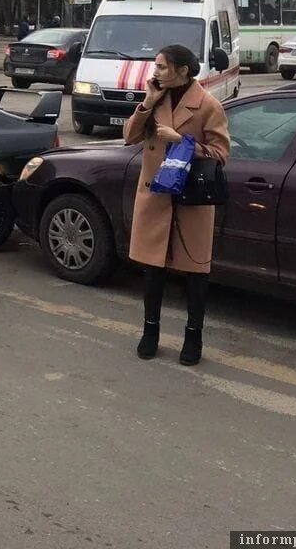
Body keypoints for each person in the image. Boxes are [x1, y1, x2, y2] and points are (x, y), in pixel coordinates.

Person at [124, 44, 230, 366]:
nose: (155, 72)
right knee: (153, 270)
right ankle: (150, 333)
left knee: (195, 273)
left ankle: (193, 336)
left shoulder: (208, 105)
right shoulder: (156, 101)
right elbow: (129, 136)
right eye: (155, 66)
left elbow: (221, 154)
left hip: (191, 199)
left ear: (182, 70)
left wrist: (181, 141)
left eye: (161, 67)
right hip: (155, 195)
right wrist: (148, 102)